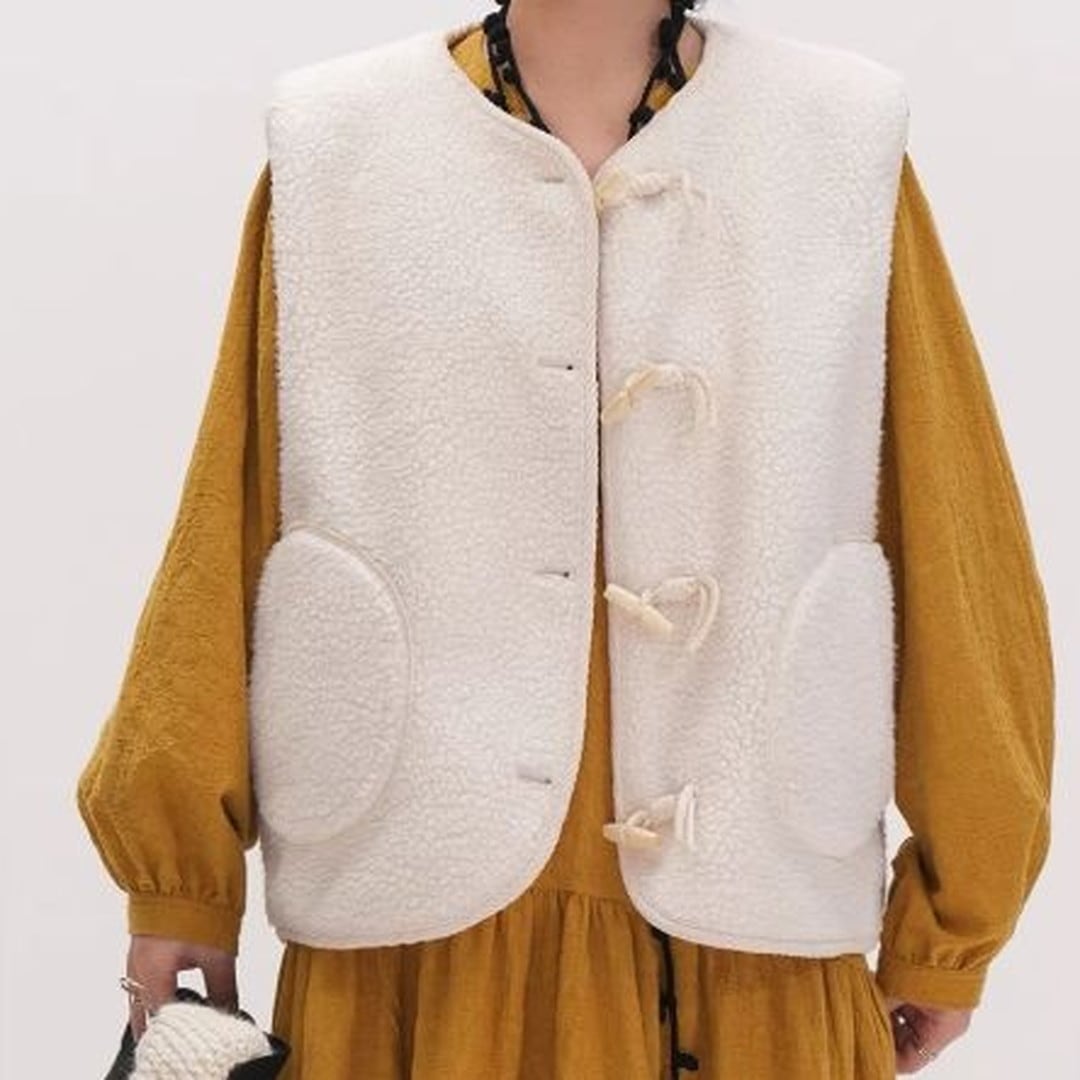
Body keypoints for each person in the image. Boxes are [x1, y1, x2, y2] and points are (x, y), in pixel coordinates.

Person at [76, 1, 1055, 1076]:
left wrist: (956, 917)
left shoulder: (837, 139)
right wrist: (180, 881)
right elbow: (229, 518)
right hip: (411, 945)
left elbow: (950, 533)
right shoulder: (339, 140)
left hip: (754, 941)